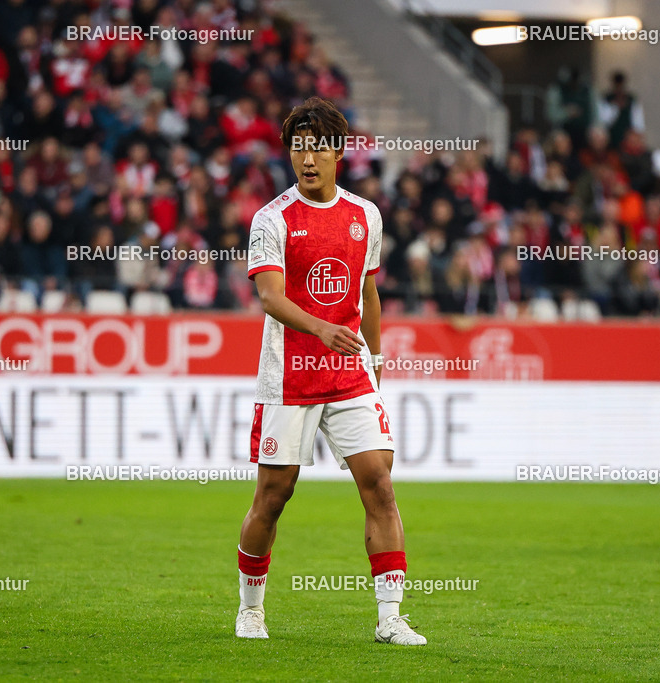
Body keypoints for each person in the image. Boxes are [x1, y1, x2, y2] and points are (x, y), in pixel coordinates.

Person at [235, 97, 426, 646]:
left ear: (339, 151)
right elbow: (270, 297)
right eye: (298, 146)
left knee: (381, 485)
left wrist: (378, 356)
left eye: (318, 146)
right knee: (274, 495)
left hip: (349, 373)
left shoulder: (366, 215)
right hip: (289, 376)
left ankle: (390, 617)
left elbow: (369, 292)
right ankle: (251, 608)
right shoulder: (271, 219)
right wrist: (321, 329)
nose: (307, 157)